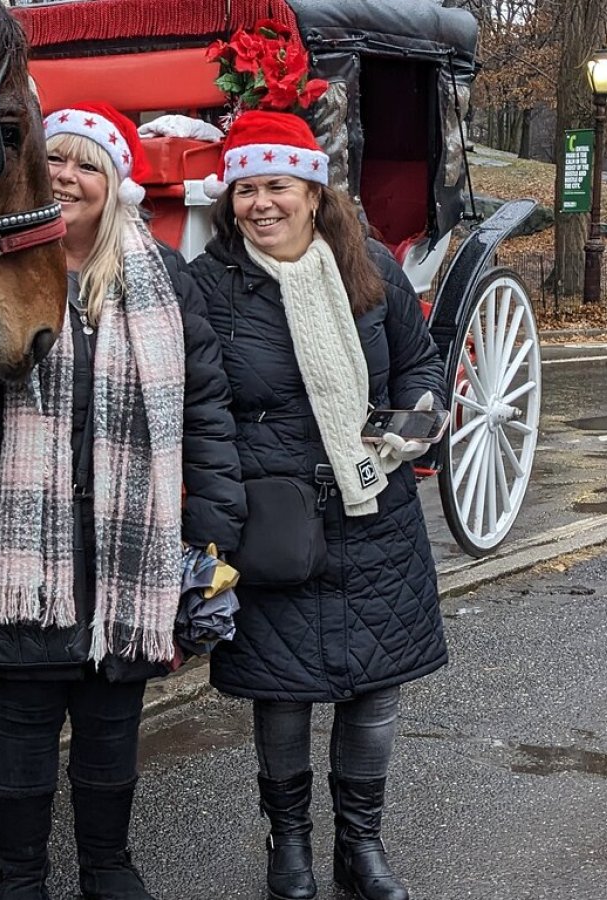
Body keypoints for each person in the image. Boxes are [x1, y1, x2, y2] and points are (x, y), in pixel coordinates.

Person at [0, 101, 245, 900]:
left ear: (116, 184)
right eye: (52, 162)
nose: (66, 177)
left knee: (111, 724)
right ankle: (19, 878)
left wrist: (213, 531)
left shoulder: (162, 278)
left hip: (128, 547)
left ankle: (108, 866)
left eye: (86, 165)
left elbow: (205, 406)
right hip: (21, 545)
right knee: (22, 726)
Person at [189, 110, 448, 900]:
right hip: (275, 519)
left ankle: (361, 846)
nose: (260, 204)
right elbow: (202, 409)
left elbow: (419, 364)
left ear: (311, 190)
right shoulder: (211, 285)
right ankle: (290, 847)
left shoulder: (368, 267)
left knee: (376, 690)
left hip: (376, 505)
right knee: (284, 693)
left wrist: (407, 431)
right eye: (245, 190)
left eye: (276, 186)